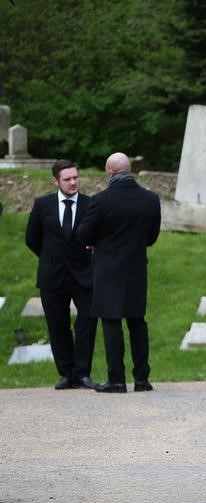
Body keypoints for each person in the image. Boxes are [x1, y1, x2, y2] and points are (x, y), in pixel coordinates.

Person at [77, 152, 161, 393]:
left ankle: (116, 380)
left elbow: (84, 233)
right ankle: (142, 379)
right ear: (129, 170)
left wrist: (97, 242)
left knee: (112, 321)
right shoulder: (150, 199)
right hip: (135, 270)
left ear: (110, 171)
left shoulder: (101, 200)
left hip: (108, 270)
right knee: (137, 321)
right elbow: (151, 238)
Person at [25, 159, 98, 389]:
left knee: (87, 323)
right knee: (57, 325)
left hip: (84, 274)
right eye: (67, 179)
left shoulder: (91, 204)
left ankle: (82, 373)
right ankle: (67, 373)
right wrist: (50, 258)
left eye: (76, 177)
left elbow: (99, 236)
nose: (73, 182)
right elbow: (32, 239)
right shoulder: (42, 205)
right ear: (55, 180)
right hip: (52, 275)